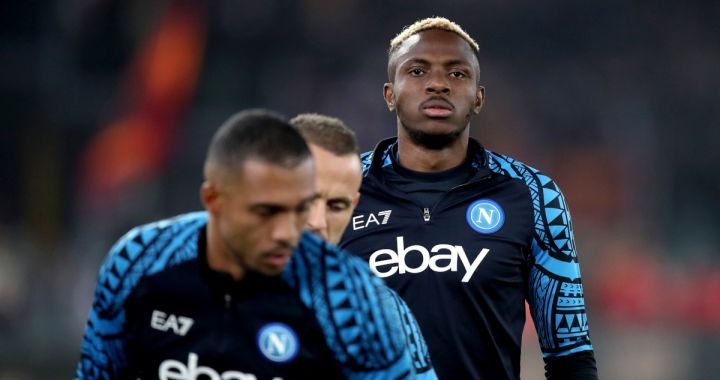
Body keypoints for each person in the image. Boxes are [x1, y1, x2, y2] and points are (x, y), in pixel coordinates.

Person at [339, 17, 599, 379]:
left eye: (457, 74)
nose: (438, 84)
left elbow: (570, 357)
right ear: (389, 94)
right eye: (417, 71)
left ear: (478, 97)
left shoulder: (534, 196)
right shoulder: (336, 191)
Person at [76, 109, 420, 379]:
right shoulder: (140, 262)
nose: (308, 224)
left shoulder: (362, 302)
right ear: (214, 199)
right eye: (269, 210)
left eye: (334, 205)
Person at [290, 113, 436, 379]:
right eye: (307, 200)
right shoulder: (192, 270)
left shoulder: (378, 311)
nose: (318, 222)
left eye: (336, 206)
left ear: (353, 207)